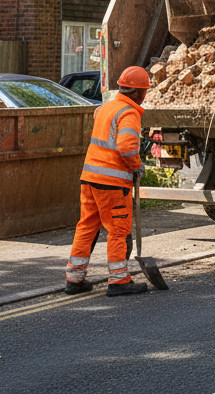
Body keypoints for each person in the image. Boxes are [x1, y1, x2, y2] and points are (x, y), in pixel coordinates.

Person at [64, 66, 150, 296]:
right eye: (145, 92)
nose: (145, 96)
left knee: (86, 227)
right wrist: (137, 167)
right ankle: (119, 280)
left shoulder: (105, 108)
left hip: (89, 178)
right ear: (138, 93)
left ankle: (74, 278)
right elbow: (126, 147)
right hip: (112, 183)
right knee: (118, 230)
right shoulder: (129, 113)